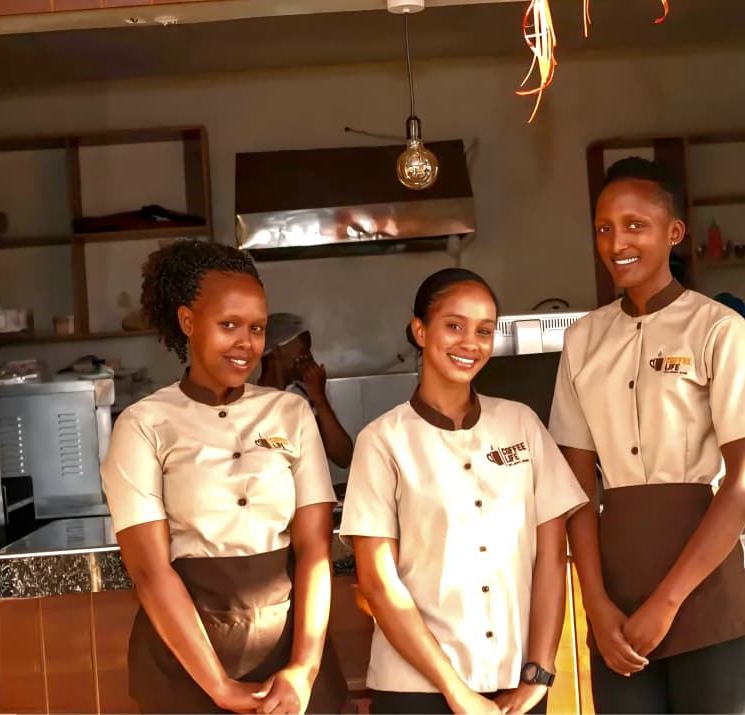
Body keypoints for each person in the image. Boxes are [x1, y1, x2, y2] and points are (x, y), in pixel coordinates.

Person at [548, 157, 745, 713]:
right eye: (604, 227)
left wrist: (668, 601)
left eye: (635, 225)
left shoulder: (718, 328)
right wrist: (595, 604)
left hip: (709, 597)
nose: (616, 241)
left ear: (674, 233)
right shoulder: (582, 341)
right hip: (616, 603)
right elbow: (575, 487)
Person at [100, 239, 347, 714]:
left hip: (292, 651)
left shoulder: (290, 412)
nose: (246, 343)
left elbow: (315, 551)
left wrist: (303, 670)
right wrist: (219, 687)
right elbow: (151, 571)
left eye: (255, 328)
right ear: (188, 322)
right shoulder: (143, 424)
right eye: (228, 324)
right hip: (187, 663)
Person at [340, 268, 588, 715]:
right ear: (420, 331)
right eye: (454, 325)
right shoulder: (382, 440)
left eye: (484, 330)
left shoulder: (522, 424)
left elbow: (550, 558)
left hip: (516, 686)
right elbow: (379, 583)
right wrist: (456, 691)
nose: (470, 343)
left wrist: (540, 673)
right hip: (416, 692)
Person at [258, 313, 354, 469]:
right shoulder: (252, 401)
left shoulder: (306, 392)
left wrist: (319, 399)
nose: (308, 356)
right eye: (303, 349)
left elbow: (343, 457)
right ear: (276, 351)